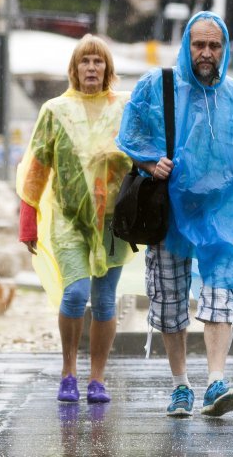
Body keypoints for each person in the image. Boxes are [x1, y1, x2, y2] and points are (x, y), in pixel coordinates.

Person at [116, 11, 233, 418]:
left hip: (222, 217)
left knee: (220, 297)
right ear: (186, 45)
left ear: (225, 48)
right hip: (170, 214)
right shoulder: (156, 86)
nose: (207, 53)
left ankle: (217, 380)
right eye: (199, 44)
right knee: (170, 302)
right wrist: (149, 163)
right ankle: (181, 385)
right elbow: (129, 133)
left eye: (215, 45)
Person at [16, 33, 136, 404]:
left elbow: (144, 155)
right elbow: (38, 165)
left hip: (114, 221)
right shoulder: (55, 110)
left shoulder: (124, 109)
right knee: (75, 294)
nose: (91, 68)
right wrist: (28, 217)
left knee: (104, 302)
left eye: (98, 61)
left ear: (108, 69)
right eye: (85, 61)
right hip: (68, 219)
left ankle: (97, 378)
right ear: (74, 69)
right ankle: (68, 371)